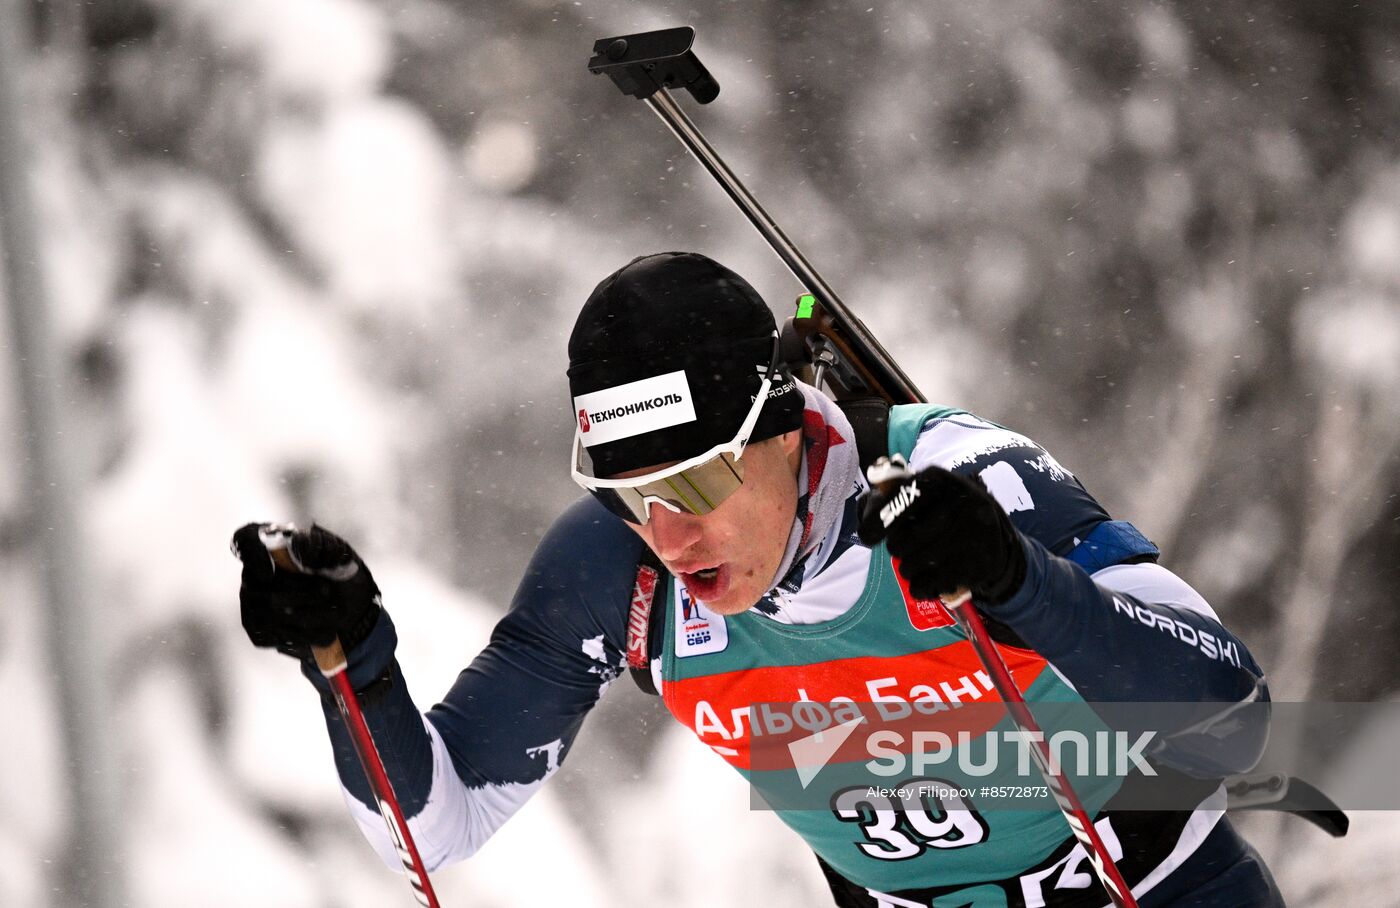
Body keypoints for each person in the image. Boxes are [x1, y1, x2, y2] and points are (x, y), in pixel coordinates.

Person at [233, 252, 1282, 906]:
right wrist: (354, 669)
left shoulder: (955, 482)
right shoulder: (610, 573)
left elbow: (1232, 716)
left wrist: (1015, 579)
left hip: (1153, 886)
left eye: (696, 481)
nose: (668, 533)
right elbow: (434, 831)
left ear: (784, 429)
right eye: (628, 494)